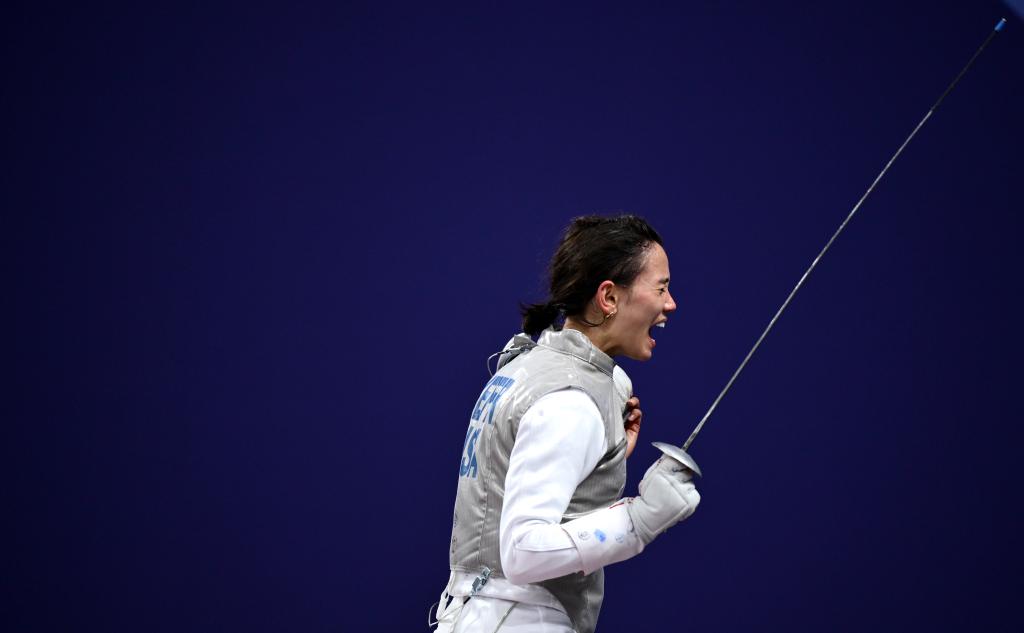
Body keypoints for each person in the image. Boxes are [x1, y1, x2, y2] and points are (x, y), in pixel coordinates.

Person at [431, 215, 700, 633]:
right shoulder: (571, 399)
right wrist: (640, 519)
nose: (671, 304)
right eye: (661, 288)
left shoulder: (531, 367)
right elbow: (523, 553)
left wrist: (598, 461)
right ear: (608, 297)